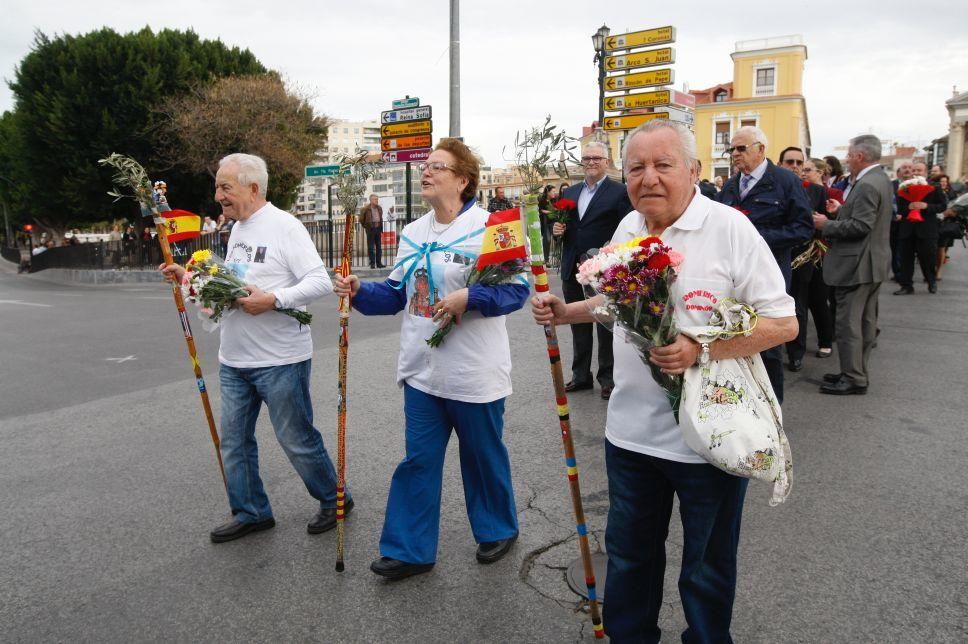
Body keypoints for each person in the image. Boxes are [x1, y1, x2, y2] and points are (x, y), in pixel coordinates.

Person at [532, 120, 797, 641]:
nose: (647, 178)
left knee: (706, 569)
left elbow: (782, 322)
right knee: (629, 561)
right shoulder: (629, 228)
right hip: (630, 436)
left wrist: (702, 347)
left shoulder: (729, 229)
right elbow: (617, 302)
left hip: (710, 441)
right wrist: (567, 311)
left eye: (663, 165)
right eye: (636, 167)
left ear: (694, 171)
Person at [333, 138, 528, 581]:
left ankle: (498, 527)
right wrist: (361, 291)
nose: (427, 172)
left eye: (438, 167)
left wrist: (470, 296)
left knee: (481, 455)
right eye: (426, 166)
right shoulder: (413, 231)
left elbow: (516, 291)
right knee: (417, 460)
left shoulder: (494, 226)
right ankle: (409, 549)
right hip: (422, 369)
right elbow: (397, 294)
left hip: (474, 369)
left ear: (463, 179)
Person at [160, 153, 347, 542]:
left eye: (226, 188)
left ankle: (333, 498)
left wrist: (274, 300)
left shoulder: (285, 227)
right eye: (218, 188)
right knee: (234, 440)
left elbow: (319, 282)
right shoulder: (238, 229)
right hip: (235, 359)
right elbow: (233, 284)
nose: (218, 196)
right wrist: (188, 278)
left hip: (281, 360)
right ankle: (251, 511)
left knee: (296, 439)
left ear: (254, 188)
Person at [716, 126, 813, 404]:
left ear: (760, 149)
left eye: (740, 148)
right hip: (733, 277)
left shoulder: (784, 181)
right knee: (733, 339)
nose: (734, 154)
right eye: (731, 149)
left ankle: (773, 411)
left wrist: (757, 238)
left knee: (767, 343)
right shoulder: (732, 185)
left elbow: (803, 229)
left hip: (769, 273)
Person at [813, 135, 894, 395]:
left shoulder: (868, 183)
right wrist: (841, 211)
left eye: (849, 154)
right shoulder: (880, 179)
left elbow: (861, 226)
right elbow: (866, 217)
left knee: (849, 324)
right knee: (866, 322)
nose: (847, 158)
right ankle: (855, 371)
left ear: (860, 156)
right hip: (872, 262)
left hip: (858, 264)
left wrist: (828, 225)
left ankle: (853, 377)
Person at [554, 141, 633, 400]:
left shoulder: (620, 192)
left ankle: (608, 378)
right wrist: (558, 231)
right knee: (577, 321)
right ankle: (581, 376)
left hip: (603, 268)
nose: (590, 162)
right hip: (572, 266)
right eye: (586, 158)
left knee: (605, 322)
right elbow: (566, 227)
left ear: (607, 162)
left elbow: (626, 228)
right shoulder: (571, 192)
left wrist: (608, 253)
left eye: (596, 158)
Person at [779, 148, 833, 371]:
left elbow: (822, 225)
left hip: (802, 257)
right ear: (780, 163)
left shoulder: (816, 192)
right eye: (789, 161)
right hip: (775, 253)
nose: (795, 166)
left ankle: (796, 353)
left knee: (798, 305)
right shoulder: (773, 189)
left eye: (799, 162)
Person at [894, 161, 947, 295]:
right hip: (907, 229)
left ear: (925, 172)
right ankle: (906, 285)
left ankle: (931, 281)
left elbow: (942, 206)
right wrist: (908, 208)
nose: (916, 173)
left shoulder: (934, 187)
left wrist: (926, 206)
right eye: (914, 170)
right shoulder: (904, 187)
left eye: (920, 170)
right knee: (906, 259)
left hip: (927, 229)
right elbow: (900, 209)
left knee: (928, 258)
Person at [890, 161, 914, 280]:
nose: (907, 170)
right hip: (894, 223)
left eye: (910, 167)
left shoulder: (917, 184)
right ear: (899, 171)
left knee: (907, 250)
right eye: (904, 167)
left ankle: (905, 274)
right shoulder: (891, 184)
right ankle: (897, 273)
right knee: (895, 249)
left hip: (910, 222)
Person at [936, 174, 958, 279]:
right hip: (934, 223)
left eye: (945, 181)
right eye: (941, 181)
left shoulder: (952, 194)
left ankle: (939, 271)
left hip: (946, 224)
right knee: (933, 248)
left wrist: (951, 212)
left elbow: (956, 208)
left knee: (942, 247)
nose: (943, 183)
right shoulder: (934, 192)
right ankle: (933, 267)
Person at [360, 193, 385, 268]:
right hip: (370, 229)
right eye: (375, 199)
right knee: (371, 247)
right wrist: (366, 226)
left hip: (378, 228)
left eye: (377, 199)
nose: (376, 201)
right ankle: (372, 264)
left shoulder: (379, 208)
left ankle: (379, 263)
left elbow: (380, 217)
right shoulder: (365, 209)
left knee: (379, 247)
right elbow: (361, 219)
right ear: (370, 200)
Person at [537, 184, 558, 261]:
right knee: (547, 240)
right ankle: (546, 259)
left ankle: (558, 256)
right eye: (553, 191)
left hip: (554, 221)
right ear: (548, 192)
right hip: (545, 222)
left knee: (558, 238)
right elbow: (540, 210)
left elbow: (557, 209)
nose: (554, 193)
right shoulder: (542, 200)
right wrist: (550, 211)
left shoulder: (555, 199)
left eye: (555, 191)